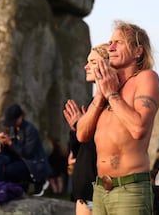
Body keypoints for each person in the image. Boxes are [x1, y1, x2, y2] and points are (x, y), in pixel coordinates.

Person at [76, 20, 159, 214]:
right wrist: (100, 95)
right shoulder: (106, 86)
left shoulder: (146, 78)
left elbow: (138, 129)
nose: (111, 47)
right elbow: (81, 135)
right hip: (99, 189)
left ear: (138, 51)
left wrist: (112, 95)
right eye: (110, 42)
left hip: (129, 189)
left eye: (118, 42)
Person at [63, 43, 109, 215]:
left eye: (92, 62)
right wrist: (76, 129)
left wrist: (80, 126)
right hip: (83, 187)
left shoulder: (111, 103)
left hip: (99, 187)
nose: (86, 66)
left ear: (106, 64)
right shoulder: (92, 103)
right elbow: (79, 148)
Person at [0, 104, 51, 196]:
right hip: (21, 161)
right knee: (0, 164)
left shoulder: (30, 129)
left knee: (10, 170)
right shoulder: (13, 129)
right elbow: (13, 151)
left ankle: (40, 182)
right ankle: (14, 189)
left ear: (20, 117)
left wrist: (10, 143)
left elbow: (27, 153)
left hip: (34, 163)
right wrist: (3, 143)